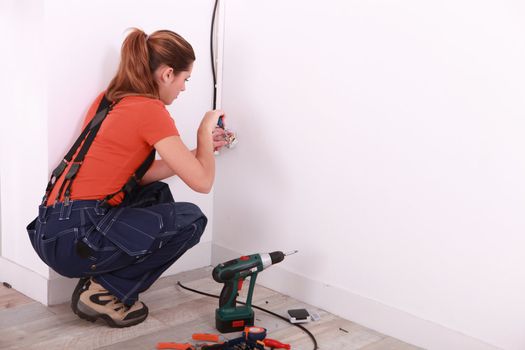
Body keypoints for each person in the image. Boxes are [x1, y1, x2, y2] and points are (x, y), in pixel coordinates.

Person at [25, 28, 228, 328]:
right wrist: (203, 131)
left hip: (53, 229)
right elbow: (203, 182)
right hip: (77, 236)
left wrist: (199, 151)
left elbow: (138, 175)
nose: (184, 88)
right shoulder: (150, 110)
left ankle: (99, 285)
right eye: (185, 79)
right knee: (192, 219)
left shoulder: (111, 99)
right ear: (167, 74)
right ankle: (106, 293)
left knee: (157, 195)